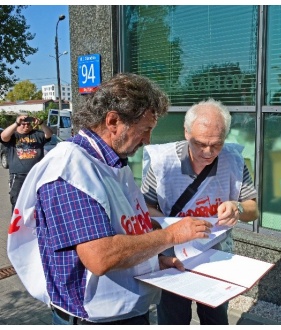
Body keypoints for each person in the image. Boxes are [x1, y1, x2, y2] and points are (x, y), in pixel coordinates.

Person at [7, 73, 213, 325]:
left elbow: (124, 230)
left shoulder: (113, 163)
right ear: (113, 121)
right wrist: (171, 235)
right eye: (145, 129)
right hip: (93, 319)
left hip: (122, 312)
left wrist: (153, 260)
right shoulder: (70, 168)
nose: (148, 140)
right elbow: (100, 257)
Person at [141, 98, 259, 325]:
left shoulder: (233, 161)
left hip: (215, 256)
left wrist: (238, 207)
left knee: (215, 319)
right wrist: (173, 227)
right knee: (173, 319)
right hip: (171, 256)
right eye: (200, 144)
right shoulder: (163, 163)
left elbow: (253, 210)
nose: (208, 152)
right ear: (186, 132)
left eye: (216, 144)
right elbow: (145, 207)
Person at [0, 114, 53, 212]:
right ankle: (17, 225)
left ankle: (36, 225)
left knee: (37, 202)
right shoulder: (13, 136)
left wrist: (41, 123)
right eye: (23, 124)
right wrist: (16, 123)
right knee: (17, 201)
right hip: (18, 176)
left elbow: (49, 134)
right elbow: (3, 136)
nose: (26, 126)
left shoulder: (37, 134)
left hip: (36, 175)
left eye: (28, 124)